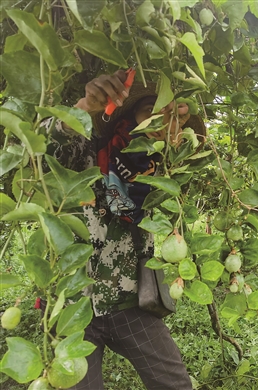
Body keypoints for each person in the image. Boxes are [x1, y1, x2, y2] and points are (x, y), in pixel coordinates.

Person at [43, 70, 205, 390]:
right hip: (76, 305)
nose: (157, 119)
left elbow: (189, 201)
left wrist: (181, 146)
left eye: (165, 115)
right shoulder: (89, 157)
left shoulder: (164, 176)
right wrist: (83, 108)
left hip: (131, 300)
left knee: (175, 384)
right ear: (129, 117)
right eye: (149, 110)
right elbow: (49, 149)